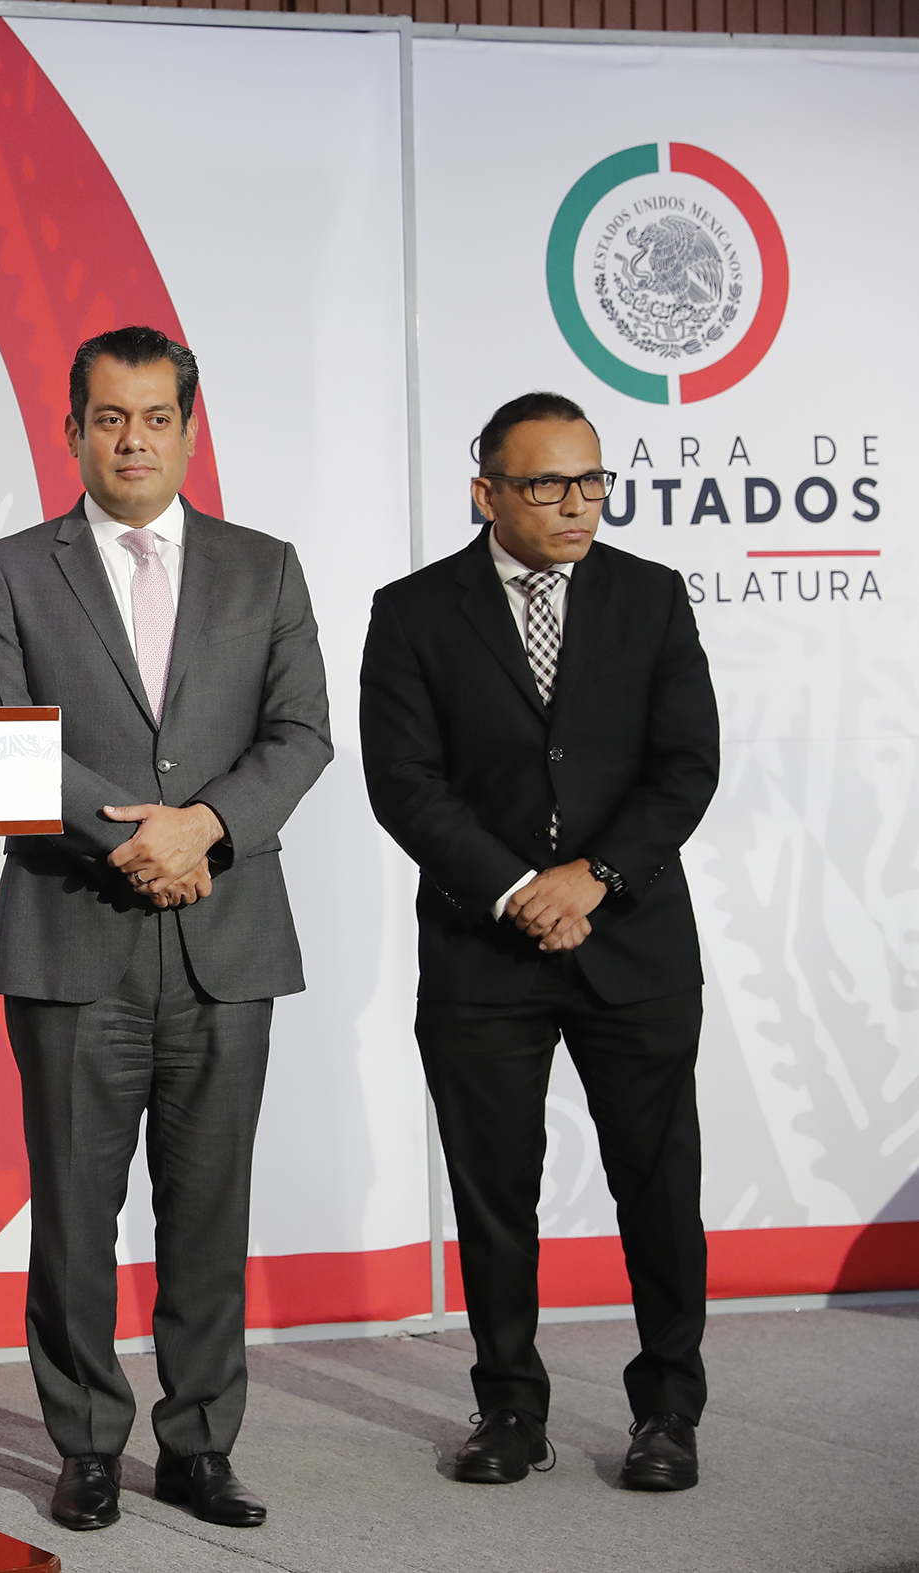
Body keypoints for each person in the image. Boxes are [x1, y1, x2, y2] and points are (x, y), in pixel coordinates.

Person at [0, 326, 331, 1532]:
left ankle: (200, 1443)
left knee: (209, 1208)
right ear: (72, 430)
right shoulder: (11, 570)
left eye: (155, 418)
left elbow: (301, 733)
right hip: (71, 931)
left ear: (188, 430)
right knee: (74, 1214)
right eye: (109, 418)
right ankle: (86, 1443)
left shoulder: (264, 568)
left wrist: (203, 828)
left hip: (227, 937)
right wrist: (131, 839)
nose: (132, 440)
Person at [359, 391, 718, 1492]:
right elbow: (403, 782)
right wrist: (517, 888)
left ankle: (668, 1409)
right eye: (547, 484)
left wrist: (592, 878)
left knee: (659, 1185)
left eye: (592, 481)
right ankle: (509, 1406)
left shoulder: (651, 596)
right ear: (487, 493)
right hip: (483, 952)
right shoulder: (414, 611)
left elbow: (686, 766)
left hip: (633, 944)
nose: (576, 504)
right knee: (494, 1194)